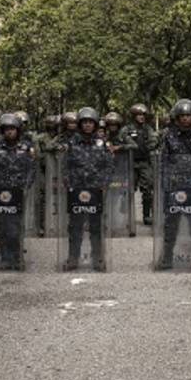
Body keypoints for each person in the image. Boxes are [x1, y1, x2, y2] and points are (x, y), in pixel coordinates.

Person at [157, 99, 191, 270]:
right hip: (174, 187)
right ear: (176, 118)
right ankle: (166, 258)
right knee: (170, 224)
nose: (185, 119)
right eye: (182, 116)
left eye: (188, 116)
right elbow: (163, 162)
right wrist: (164, 183)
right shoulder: (168, 137)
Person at [61, 107, 113, 271]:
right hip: (76, 190)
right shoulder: (71, 144)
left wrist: (104, 185)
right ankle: (72, 258)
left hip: (95, 191)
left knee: (96, 226)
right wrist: (69, 185)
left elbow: (109, 167)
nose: (88, 125)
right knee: (75, 226)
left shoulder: (102, 144)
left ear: (96, 124)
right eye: (85, 122)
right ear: (80, 125)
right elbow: (65, 167)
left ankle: (98, 259)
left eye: (91, 122)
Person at [0, 113, 36, 270]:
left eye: (12, 129)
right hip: (1, 193)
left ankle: (17, 257)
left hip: (18, 192)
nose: (10, 132)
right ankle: (5, 258)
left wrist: (26, 187)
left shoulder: (26, 148)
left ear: (18, 130)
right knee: (2, 226)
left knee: (15, 227)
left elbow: (31, 169)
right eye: (7, 129)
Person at [118, 104, 158, 226]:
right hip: (130, 162)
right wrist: (130, 145)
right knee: (128, 189)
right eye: (139, 115)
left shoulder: (148, 129)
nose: (141, 117)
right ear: (134, 116)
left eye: (143, 115)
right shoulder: (126, 129)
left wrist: (143, 146)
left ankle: (147, 215)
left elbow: (154, 141)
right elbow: (121, 140)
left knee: (147, 190)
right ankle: (126, 216)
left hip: (144, 162)